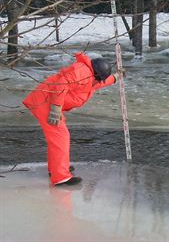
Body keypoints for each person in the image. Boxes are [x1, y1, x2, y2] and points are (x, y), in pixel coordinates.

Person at [22, 52, 123, 186]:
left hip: (47, 102)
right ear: (97, 74)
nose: (99, 82)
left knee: (59, 138)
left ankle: (57, 169)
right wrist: (56, 108)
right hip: (46, 103)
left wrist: (115, 78)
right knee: (60, 137)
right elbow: (60, 84)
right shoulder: (82, 72)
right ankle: (60, 177)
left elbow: (95, 84)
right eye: (100, 79)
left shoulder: (89, 75)